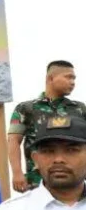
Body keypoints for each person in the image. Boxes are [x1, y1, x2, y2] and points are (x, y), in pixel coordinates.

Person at [8, 60, 86, 193]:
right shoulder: (26, 108)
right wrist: (17, 173)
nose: (72, 82)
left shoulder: (80, 109)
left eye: (74, 78)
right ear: (51, 78)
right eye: (68, 77)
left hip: (72, 180)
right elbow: (13, 141)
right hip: (37, 180)